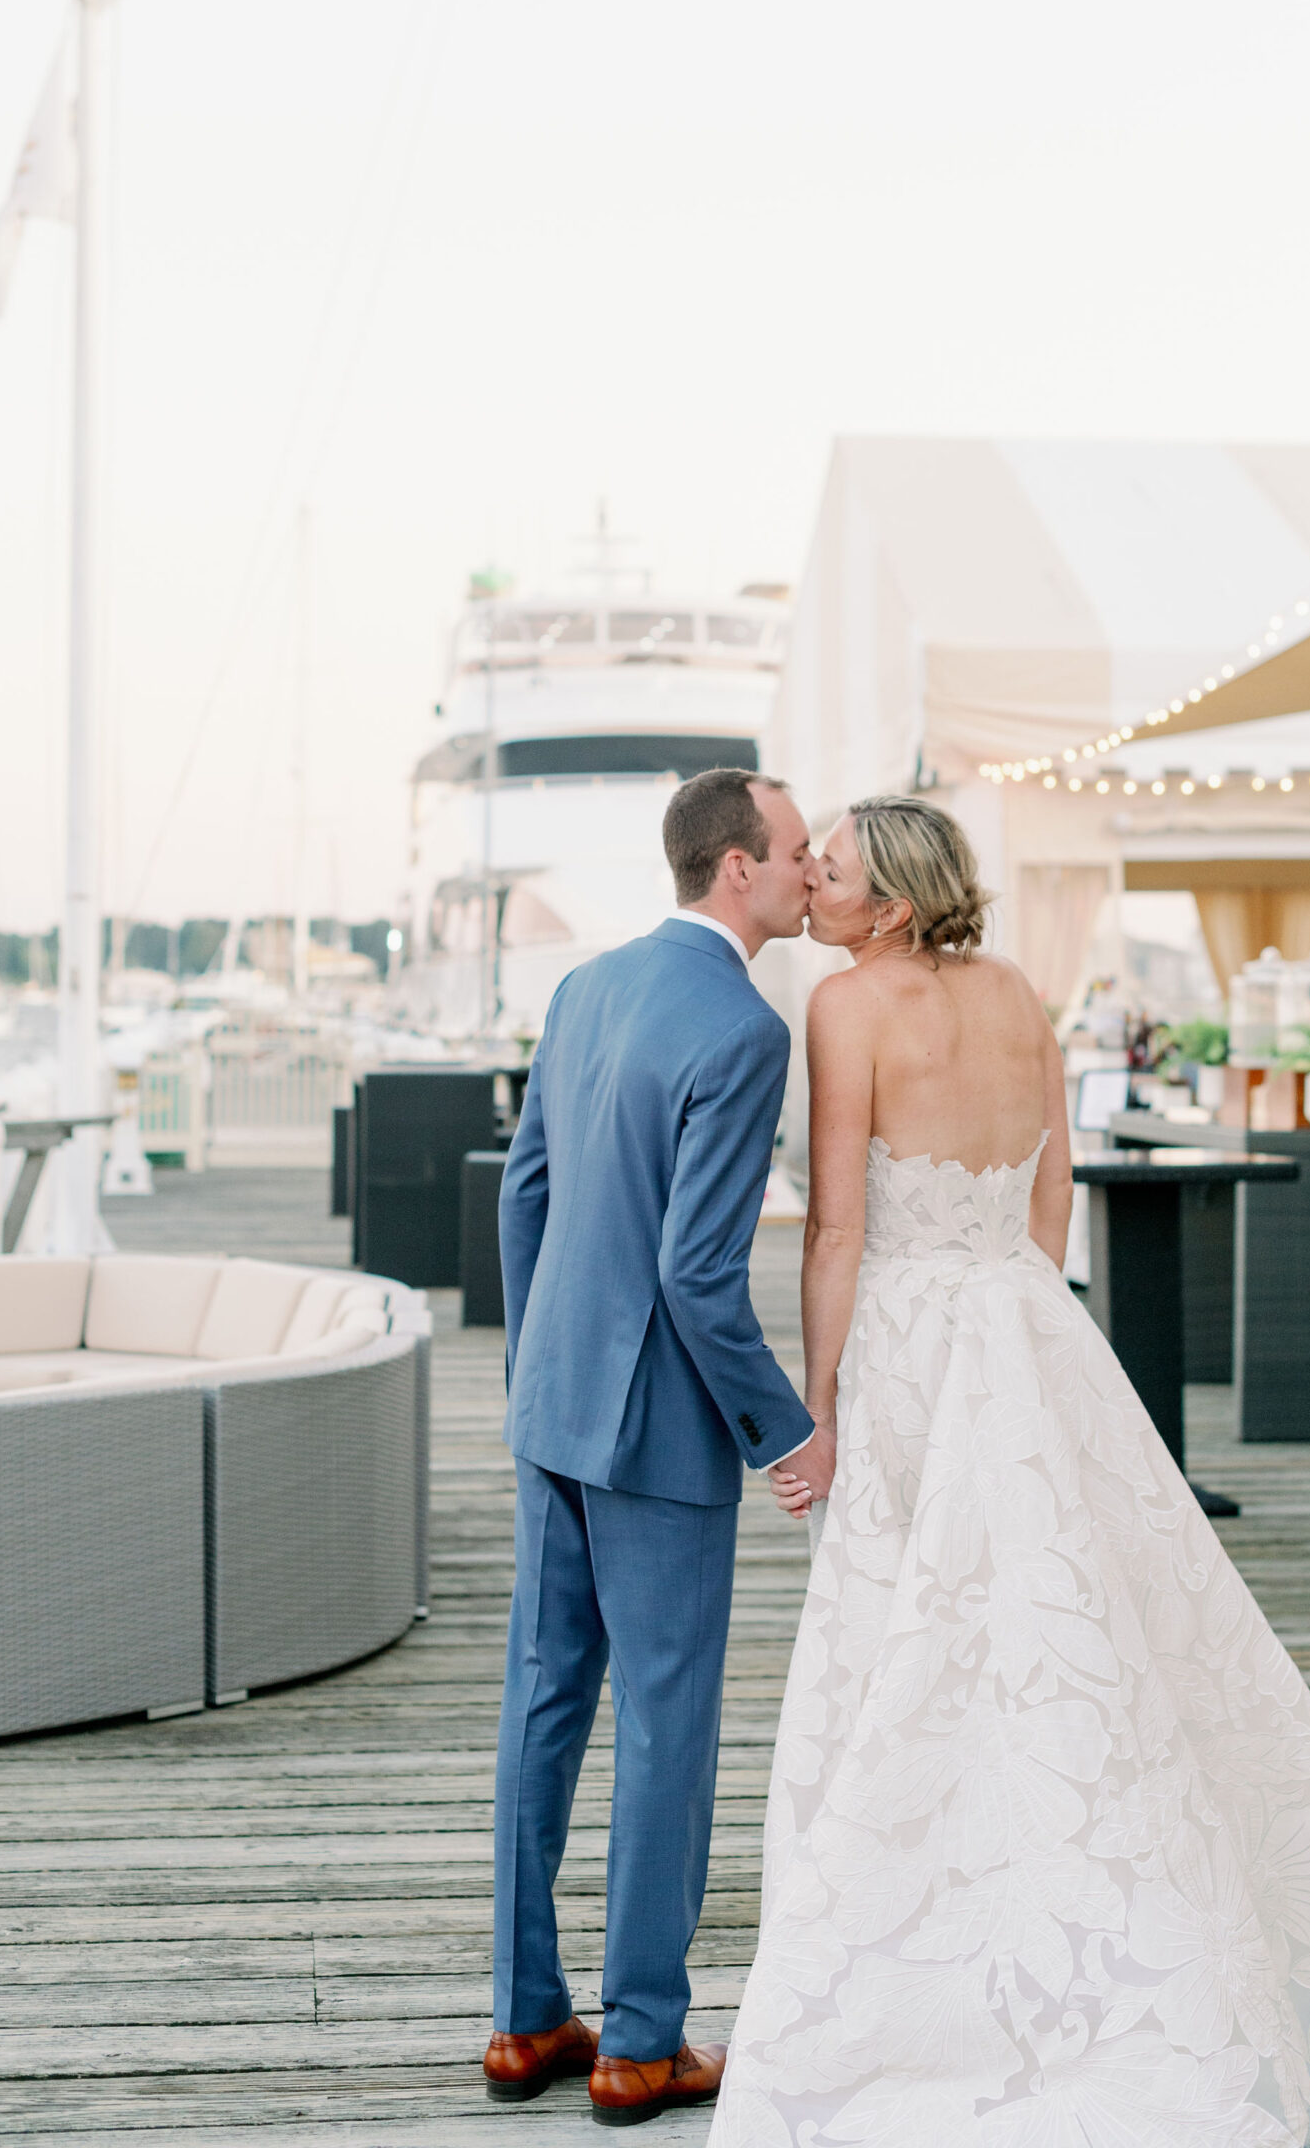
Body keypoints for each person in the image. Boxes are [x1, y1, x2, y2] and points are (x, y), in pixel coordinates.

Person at [711, 793, 1310, 2148]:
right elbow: (1052, 1187)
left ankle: (950, 1985)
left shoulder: (845, 1009)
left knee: (912, 1638)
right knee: (1107, 1631)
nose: (811, 892)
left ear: (885, 904)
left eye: (828, 875)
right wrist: (1025, 1307)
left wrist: (814, 1406)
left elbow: (835, 1228)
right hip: (1027, 1323)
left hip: (909, 1344)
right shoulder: (1019, 991)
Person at [484, 768, 837, 2128]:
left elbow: (528, 1197)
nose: (812, 872)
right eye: (799, 852)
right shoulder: (745, 1031)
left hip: (553, 1406)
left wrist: (538, 1383)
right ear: (738, 869)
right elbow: (701, 1281)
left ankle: (524, 2023)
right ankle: (639, 2042)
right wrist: (785, 1432)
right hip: (660, 1436)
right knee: (668, 1725)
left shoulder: (583, 990)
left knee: (543, 1700)